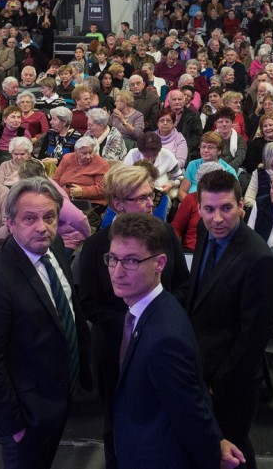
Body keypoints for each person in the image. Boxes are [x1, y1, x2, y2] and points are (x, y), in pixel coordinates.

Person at [0, 178, 90, 469]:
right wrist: (15, 426)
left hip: (59, 396)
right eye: (30, 219)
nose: (42, 227)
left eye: (49, 217)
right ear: (10, 223)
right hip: (26, 414)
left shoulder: (54, 246)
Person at [107, 213, 245, 469]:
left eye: (131, 261)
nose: (117, 272)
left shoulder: (164, 337)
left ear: (159, 263)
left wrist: (213, 451)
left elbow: (189, 409)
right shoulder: (157, 308)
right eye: (113, 258)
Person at [77, 165, 191, 467]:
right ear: (117, 203)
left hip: (160, 343)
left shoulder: (166, 235)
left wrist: (157, 314)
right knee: (116, 422)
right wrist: (131, 323)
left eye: (151, 195)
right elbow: (88, 303)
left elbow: (183, 285)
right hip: (113, 346)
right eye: (141, 198)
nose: (150, 203)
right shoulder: (97, 245)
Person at [186, 170, 273, 469]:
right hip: (201, 365)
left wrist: (219, 384)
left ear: (241, 205)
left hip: (231, 379)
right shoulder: (204, 231)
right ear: (199, 208)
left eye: (226, 208)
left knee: (233, 450)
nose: (217, 218)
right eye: (209, 209)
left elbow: (253, 338)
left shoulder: (259, 258)